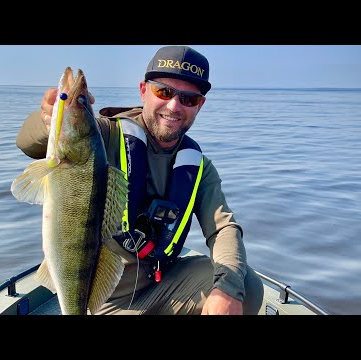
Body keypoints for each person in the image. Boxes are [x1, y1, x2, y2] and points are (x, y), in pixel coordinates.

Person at [16, 45, 264, 315]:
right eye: (164, 92)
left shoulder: (198, 167)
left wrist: (227, 290)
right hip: (107, 298)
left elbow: (222, 229)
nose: (174, 106)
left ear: (199, 105)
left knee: (245, 286)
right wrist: (49, 121)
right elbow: (28, 142)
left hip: (163, 285)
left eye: (188, 99)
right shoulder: (101, 136)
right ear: (144, 90)